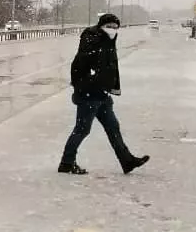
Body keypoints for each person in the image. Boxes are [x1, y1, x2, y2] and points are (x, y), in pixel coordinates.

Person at [58, 13, 150, 176]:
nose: (113, 30)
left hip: (102, 95)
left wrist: (107, 87)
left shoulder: (107, 41)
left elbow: (109, 68)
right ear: (101, 26)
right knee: (82, 129)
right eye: (109, 27)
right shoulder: (92, 39)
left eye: (115, 27)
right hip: (89, 95)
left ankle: (127, 161)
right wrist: (86, 85)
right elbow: (78, 66)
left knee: (113, 127)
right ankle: (66, 163)